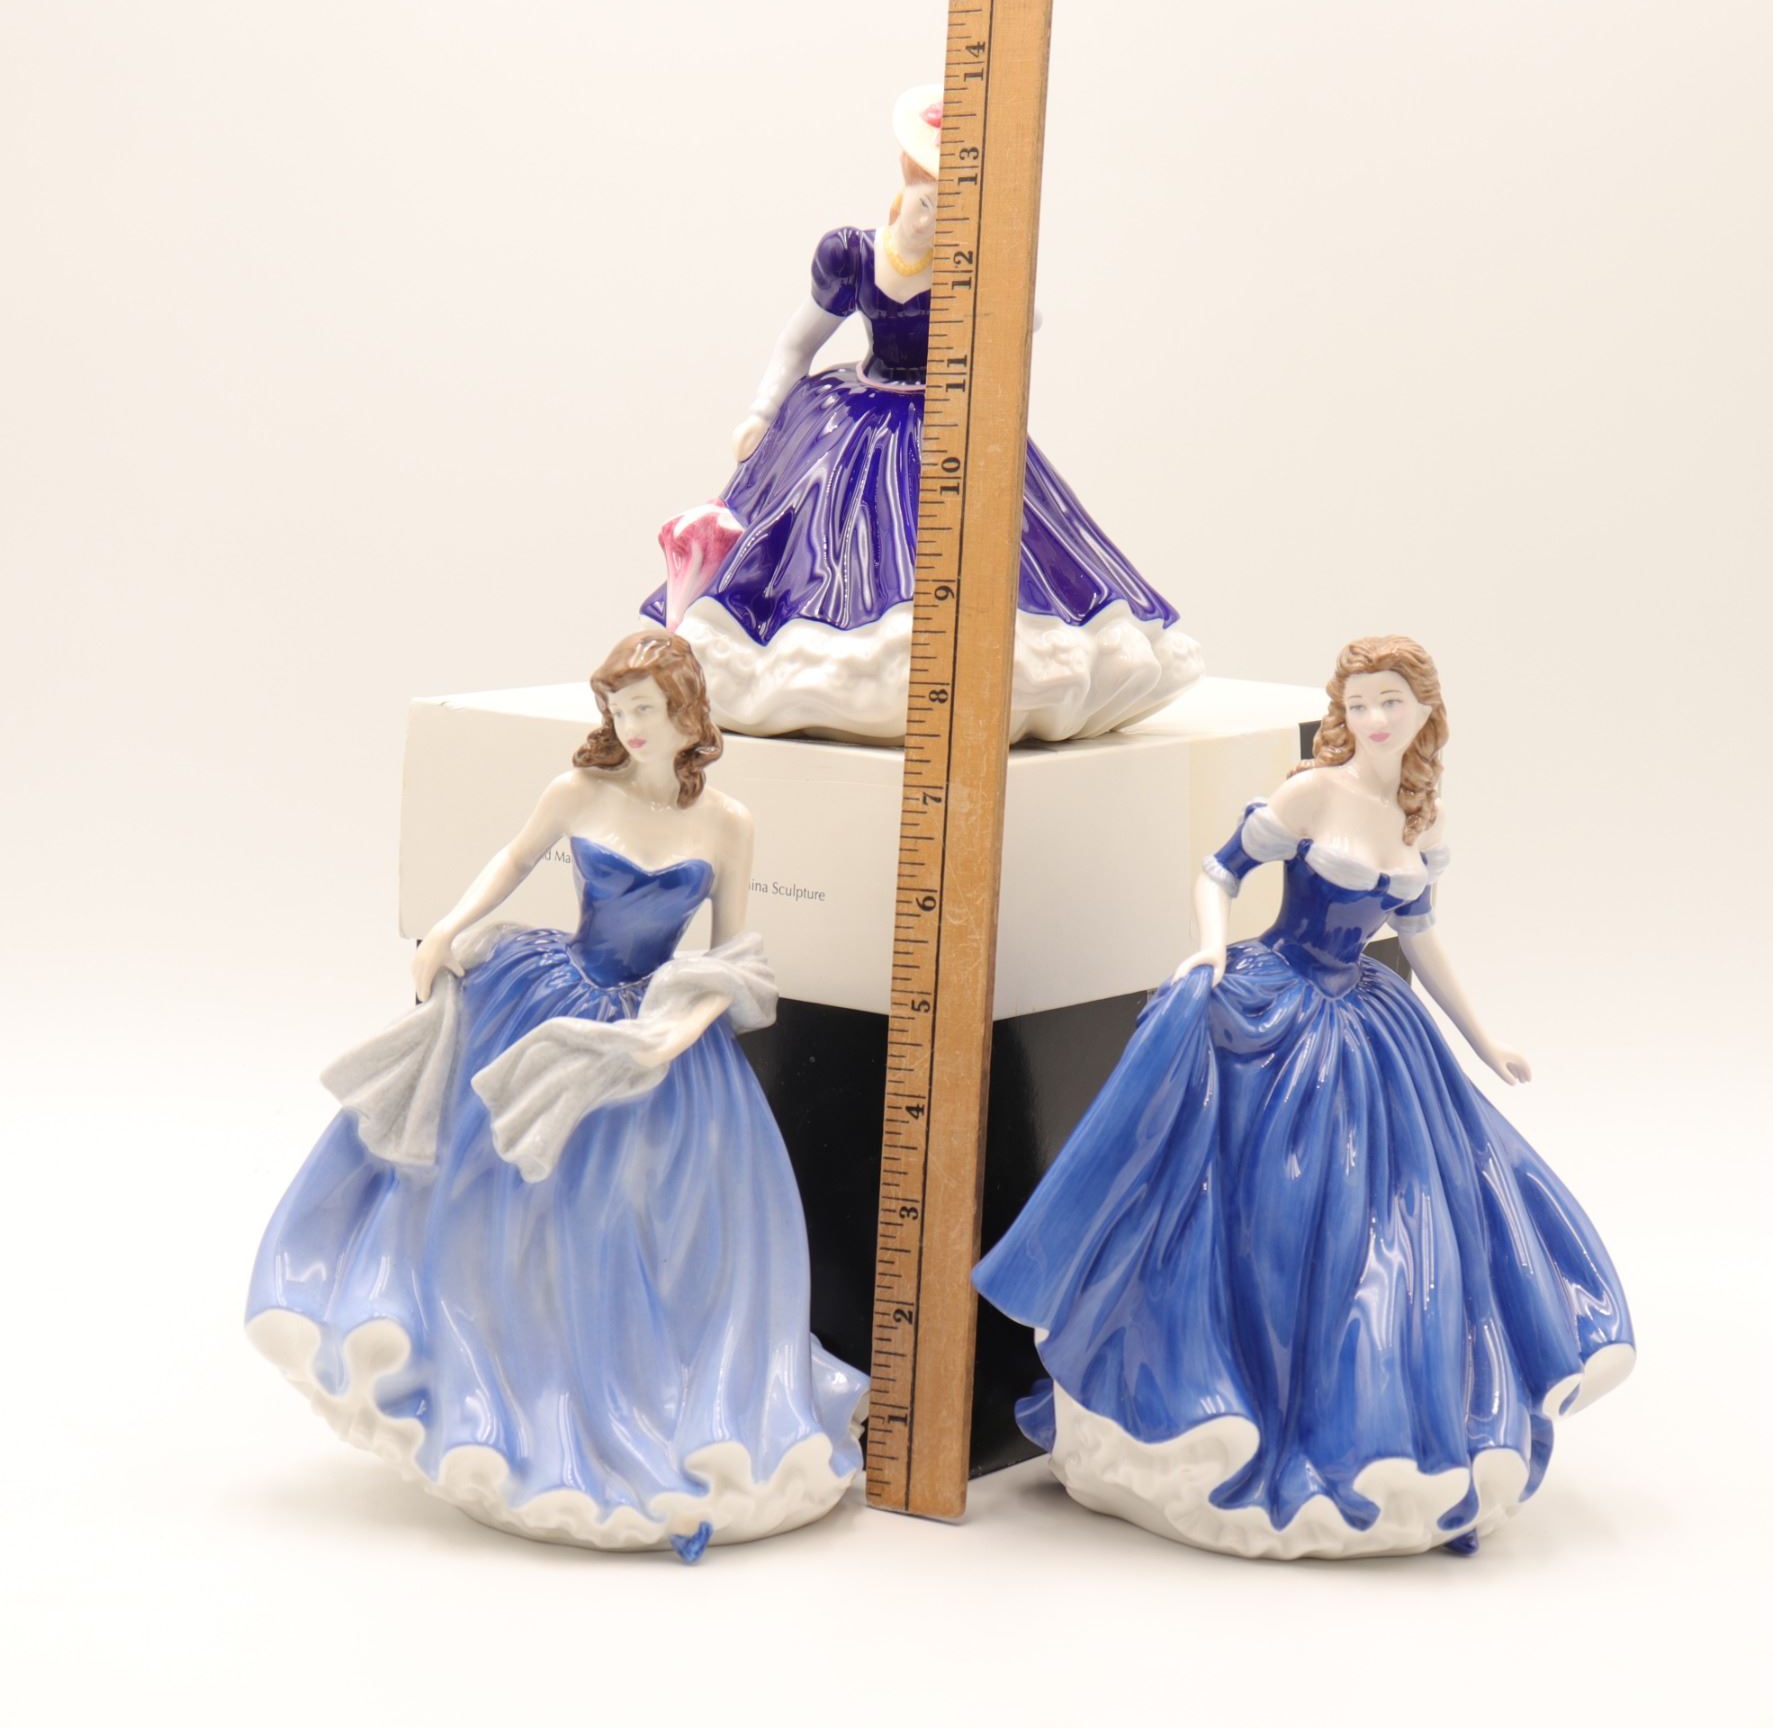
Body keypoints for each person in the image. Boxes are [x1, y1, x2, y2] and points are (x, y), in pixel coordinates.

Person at [973, 635, 1633, 1557]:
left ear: (1425, 711)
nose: (1374, 718)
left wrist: (1484, 1041)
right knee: (1261, 1213)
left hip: (1367, 1019)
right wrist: (1210, 947)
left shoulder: (1422, 818)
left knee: (1405, 1215)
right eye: (1359, 702)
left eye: (1391, 701)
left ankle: (1375, 1420)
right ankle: (1217, 1394)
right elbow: (1219, 871)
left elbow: (1420, 936)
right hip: (1276, 1006)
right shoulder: (1312, 793)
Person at [247, 630, 867, 1560]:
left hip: (660, 1036)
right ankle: (502, 1367)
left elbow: (734, 955)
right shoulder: (580, 792)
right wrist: (447, 929)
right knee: (508, 1189)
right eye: (618, 709)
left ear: (688, 712)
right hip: (554, 997)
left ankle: (638, 1388)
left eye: (646, 709)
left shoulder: (728, 823)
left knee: (656, 1217)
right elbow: (512, 860)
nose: (631, 725)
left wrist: (668, 1034)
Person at [642, 84, 1203, 743]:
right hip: (852, 417)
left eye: (949, 211)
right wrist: (762, 413)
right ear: (904, 185)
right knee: (829, 531)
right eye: (925, 202)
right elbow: (799, 341)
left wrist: (1002, 277)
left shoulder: (966, 267)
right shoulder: (852, 255)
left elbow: (1023, 323)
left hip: (945, 420)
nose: (928, 222)